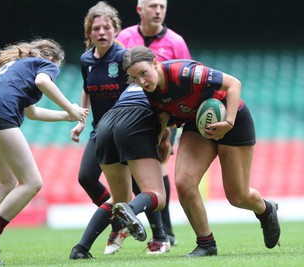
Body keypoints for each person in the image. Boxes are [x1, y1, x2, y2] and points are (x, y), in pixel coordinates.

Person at [122, 46, 281, 257]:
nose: (142, 81)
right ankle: (206, 244)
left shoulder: (184, 72)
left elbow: (234, 84)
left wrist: (229, 122)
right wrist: (153, 145)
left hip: (233, 121)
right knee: (184, 182)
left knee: (237, 197)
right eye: (135, 78)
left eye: (143, 73)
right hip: (197, 125)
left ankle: (266, 210)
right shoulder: (149, 90)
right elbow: (162, 118)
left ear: (155, 63)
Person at [0, 38, 88, 265]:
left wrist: (68, 116)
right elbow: (44, 81)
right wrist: (70, 106)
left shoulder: (17, 66)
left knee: (6, 181)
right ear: (52, 59)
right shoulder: (45, 64)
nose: (57, 72)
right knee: (32, 182)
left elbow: (32, 113)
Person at [117, 0, 191, 247]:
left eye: (162, 6)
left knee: (160, 170)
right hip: (132, 116)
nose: (158, 11)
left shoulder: (176, 42)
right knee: (138, 175)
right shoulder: (123, 37)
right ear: (140, 10)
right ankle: (151, 229)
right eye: (153, 6)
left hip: (163, 117)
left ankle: (165, 232)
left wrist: (174, 123)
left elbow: (185, 77)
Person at [70, 84, 172, 259]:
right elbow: (163, 118)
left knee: (118, 198)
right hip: (133, 124)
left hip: (104, 124)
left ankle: (80, 249)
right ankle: (130, 210)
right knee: (157, 195)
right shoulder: (163, 87)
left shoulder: (133, 85)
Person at [69, 1, 130, 255]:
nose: (102, 32)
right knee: (85, 177)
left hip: (126, 130)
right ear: (89, 33)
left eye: (107, 27)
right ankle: (118, 220)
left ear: (115, 30)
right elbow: (87, 87)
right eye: (96, 28)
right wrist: (81, 120)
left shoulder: (124, 57)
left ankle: (159, 238)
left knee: (138, 186)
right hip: (99, 130)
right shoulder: (85, 60)